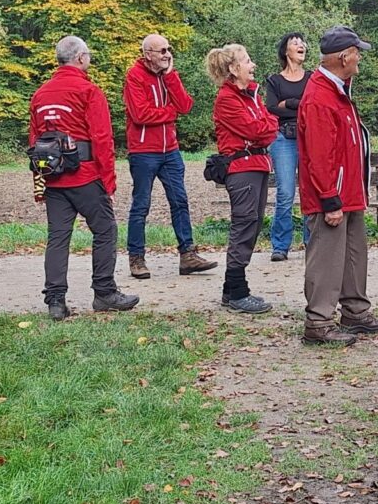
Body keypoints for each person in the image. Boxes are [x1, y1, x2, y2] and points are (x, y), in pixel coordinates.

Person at [29, 36, 139, 321]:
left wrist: (39, 184)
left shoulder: (40, 94)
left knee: (57, 238)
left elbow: (34, 142)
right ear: (80, 58)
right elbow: (102, 139)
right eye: (87, 54)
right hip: (86, 176)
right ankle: (104, 292)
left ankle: (55, 301)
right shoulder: (89, 91)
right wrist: (108, 182)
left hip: (54, 178)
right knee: (105, 230)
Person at [298, 25, 378, 346]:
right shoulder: (320, 97)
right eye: (356, 53)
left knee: (353, 254)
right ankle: (318, 322)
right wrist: (329, 199)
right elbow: (319, 156)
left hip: (347, 193)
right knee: (327, 259)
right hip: (332, 196)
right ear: (343, 57)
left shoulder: (337, 90)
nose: (359, 58)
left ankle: (355, 311)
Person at [123, 32, 217, 280]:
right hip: (144, 152)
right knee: (141, 205)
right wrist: (170, 113)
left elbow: (185, 105)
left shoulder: (168, 75)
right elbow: (140, 115)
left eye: (168, 49)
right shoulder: (134, 76)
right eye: (162, 50)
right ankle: (136, 258)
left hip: (170, 151)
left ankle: (188, 255)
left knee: (180, 201)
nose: (167, 54)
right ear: (148, 54)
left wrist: (171, 77)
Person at [207, 44, 279, 313]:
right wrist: (267, 127)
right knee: (244, 226)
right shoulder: (227, 99)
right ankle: (238, 292)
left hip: (257, 165)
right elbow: (257, 129)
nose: (253, 65)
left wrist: (267, 126)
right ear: (233, 68)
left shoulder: (252, 96)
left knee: (253, 224)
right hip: (242, 169)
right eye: (247, 61)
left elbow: (268, 126)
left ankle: (232, 290)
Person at [265, 32, 312, 261]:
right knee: (285, 193)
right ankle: (280, 246)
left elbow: (314, 105)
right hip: (283, 138)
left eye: (302, 43)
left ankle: (312, 242)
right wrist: (299, 104)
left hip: (309, 137)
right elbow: (272, 108)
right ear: (286, 51)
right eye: (295, 43)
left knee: (309, 191)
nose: (301, 45)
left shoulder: (312, 78)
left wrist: (289, 103)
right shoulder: (274, 81)